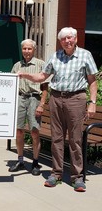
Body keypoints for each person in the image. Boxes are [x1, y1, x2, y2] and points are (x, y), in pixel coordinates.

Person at [18, 27, 98, 192]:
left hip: (76, 98)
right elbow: (42, 77)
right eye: (63, 39)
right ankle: (56, 174)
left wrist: (92, 102)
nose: (67, 41)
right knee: (57, 139)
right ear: (60, 41)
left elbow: (92, 81)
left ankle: (77, 178)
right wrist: (25, 75)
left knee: (75, 139)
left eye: (70, 38)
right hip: (56, 98)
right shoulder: (55, 56)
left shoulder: (85, 55)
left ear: (75, 38)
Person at [8, 39, 49, 176]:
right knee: (19, 131)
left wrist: (42, 104)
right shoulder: (17, 66)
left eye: (29, 49)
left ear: (34, 49)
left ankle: (35, 162)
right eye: (24, 49)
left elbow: (45, 87)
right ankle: (20, 160)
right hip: (20, 98)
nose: (26, 51)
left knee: (34, 131)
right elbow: (11, 84)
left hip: (34, 98)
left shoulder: (41, 64)